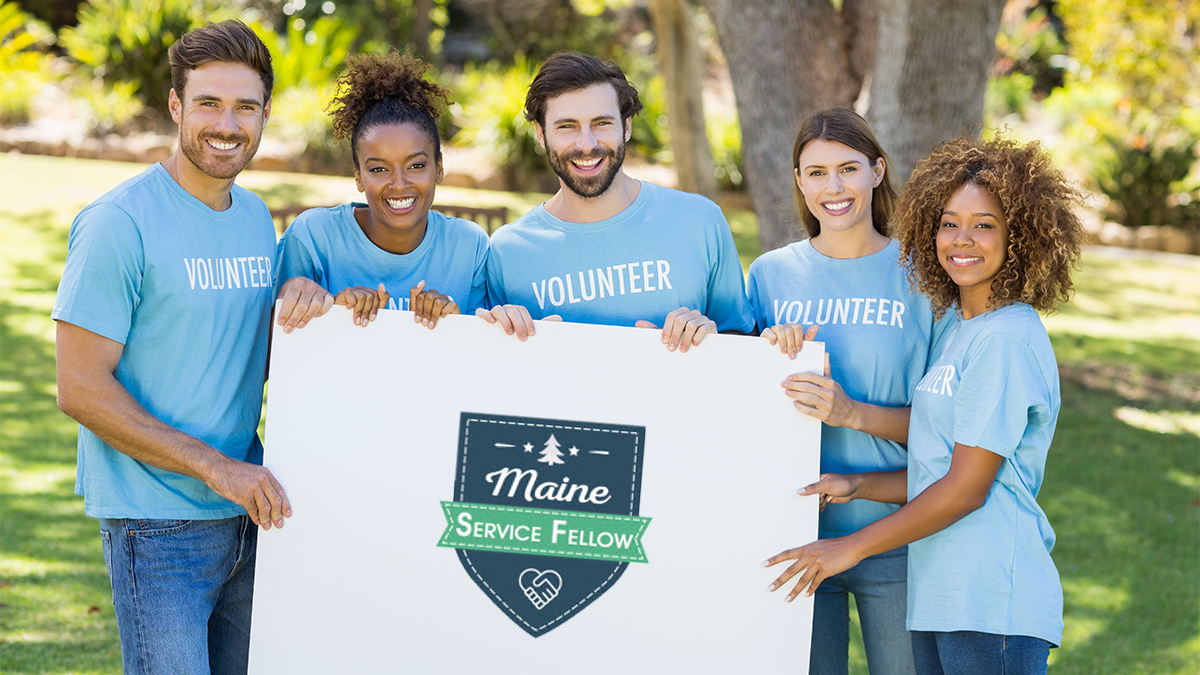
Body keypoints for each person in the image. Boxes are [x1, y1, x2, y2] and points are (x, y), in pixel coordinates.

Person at [765, 136, 1085, 675]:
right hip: (945, 592)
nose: (962, 240)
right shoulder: (962, 329)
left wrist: (852, 548)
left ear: (1019, 236)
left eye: (984, 224)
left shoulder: (1005, 338)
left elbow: (965, 489)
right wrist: (858, 485)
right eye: (948, 223)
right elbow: (937, 463)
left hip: (991, 597)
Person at [52, 20, 288, 675]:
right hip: (155, 530)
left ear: (265, 114)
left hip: (250, 515)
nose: (227, 123)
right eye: (208, 103)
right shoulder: (117, 224)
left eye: (245, 106)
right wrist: (215, 466)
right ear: (177, 106)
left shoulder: (254, 216)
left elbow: (245, 352)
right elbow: (81, 387)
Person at [747, 108, 949, 675]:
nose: (832, 188)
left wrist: (851, 412)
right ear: (798, 181)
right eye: (815, 173)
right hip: (789, 537)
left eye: (848, 169)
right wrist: (765, 353)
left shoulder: (925, 278)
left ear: (877, 171)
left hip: (897, 534)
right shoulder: (768, 276)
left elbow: (950, 431)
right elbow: (735, 405)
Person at [479, 51, 754, 347]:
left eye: (601, 123)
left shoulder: (700, 221)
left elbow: (745, 344)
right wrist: (509, 343)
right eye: (566, 126)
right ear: (541, 134)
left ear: (626, 126)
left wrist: (712, 341)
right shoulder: (508, 252)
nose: (586, 144)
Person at [273, 50, 488, 331]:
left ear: (439, 168)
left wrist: (456, 325)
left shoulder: (469, 247)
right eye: (378, 169)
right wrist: (333, 315)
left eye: (416, 165)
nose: (399, 183)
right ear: (358, 177)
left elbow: (483, 361)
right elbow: (275, 348)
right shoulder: (313, 239)